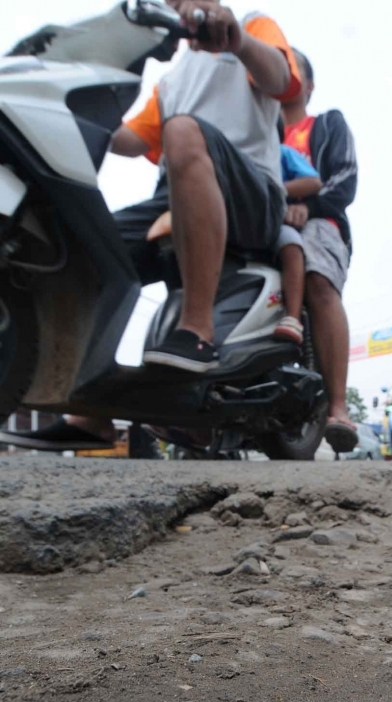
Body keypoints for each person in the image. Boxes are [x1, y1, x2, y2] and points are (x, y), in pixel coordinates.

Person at [0, 0, 301, 451]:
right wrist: (62, 97)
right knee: (82, 241)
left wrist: (236, 37)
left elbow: (282, 80)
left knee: (182, 130)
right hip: (179, 194)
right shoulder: (172, 79)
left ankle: (197, 333)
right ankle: (89, 413)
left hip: (252, 190)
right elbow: (130, 139)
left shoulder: (252, 26)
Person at [281, 49, 359, 453]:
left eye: (293, 66)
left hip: (319, 224)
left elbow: (345, 179)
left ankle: (338, 407)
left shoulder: (327, 124)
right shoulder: (256, 135)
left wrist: (308, 207)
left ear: (308, 85)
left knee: (317, 279)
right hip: (263, 228)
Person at [274, 117, 323, 345]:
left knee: (292, 245)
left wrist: (277, 189)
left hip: (274, 223)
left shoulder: (282, 152)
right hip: (238, 228)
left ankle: (292, 317)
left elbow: (313, 182)